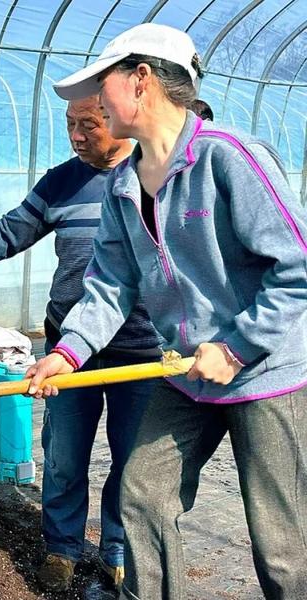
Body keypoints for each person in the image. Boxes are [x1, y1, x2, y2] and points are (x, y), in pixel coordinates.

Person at [28, 22, 307, 599]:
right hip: (184, 373)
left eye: (103, 86)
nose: (98, 101)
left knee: (281, 546)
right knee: (144, 497)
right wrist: (68, 352)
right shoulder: (123, 186)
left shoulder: (228, 159)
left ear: (141, 80)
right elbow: (110, 284)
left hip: (266, 372)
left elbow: (297, 267)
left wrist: (236, 348)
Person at [0, 96, 161, 592]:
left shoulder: (154, 176)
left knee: (133, 460)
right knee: (64, 453)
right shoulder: (61, 181)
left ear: (118, 117)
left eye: (88, 124)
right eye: (70, 124)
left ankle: (117, 550)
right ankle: (62, 548)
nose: (76, 135)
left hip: (140, 347)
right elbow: (11, 231)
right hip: (67, 346)